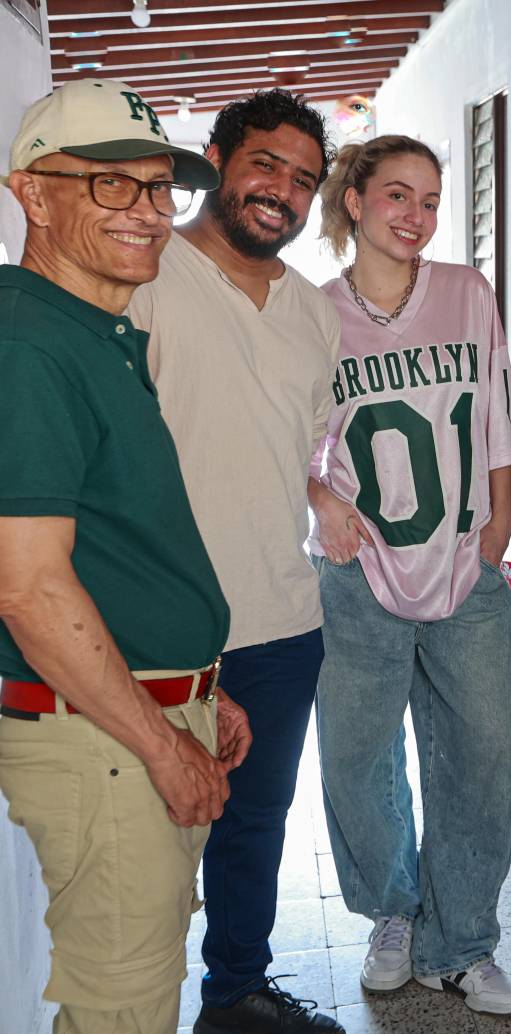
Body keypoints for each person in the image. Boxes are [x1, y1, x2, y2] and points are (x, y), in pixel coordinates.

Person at [0, 78, 250, 1034]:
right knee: (121, 1011)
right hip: (106, 744)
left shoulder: (95, 329)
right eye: (110, 186)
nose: (146, 212)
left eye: (157, 188)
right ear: (30, 191)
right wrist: (160, 741)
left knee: (140, 987)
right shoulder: (27, 343)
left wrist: (195, 688)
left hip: (135, 715)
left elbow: (114, 547)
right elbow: (26, 588)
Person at [127, 89, 344, 1034]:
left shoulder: (312, 313)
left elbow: (292, 446)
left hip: (284, 616)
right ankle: (132, 1003)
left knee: (257, 824)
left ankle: (235, 995)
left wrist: (321, 493)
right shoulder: (143, 276)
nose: (281, 192)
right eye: (265, 165)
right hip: (163, 625)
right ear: (216, 158)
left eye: (303, 180)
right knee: (155, 835)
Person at [308, 135, 511, 1016]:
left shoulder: (467, 294)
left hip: (462, 560)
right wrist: (319, 496)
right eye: (397, 194)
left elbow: (499, 406)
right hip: (360, 568)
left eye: (431, 199)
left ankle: (463, 941)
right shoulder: (313, 312)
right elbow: (284, 431)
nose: (416, 215)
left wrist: (503, 510)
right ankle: (394, 912)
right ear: (354, 200)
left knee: (478, 758)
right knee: (358, 758)